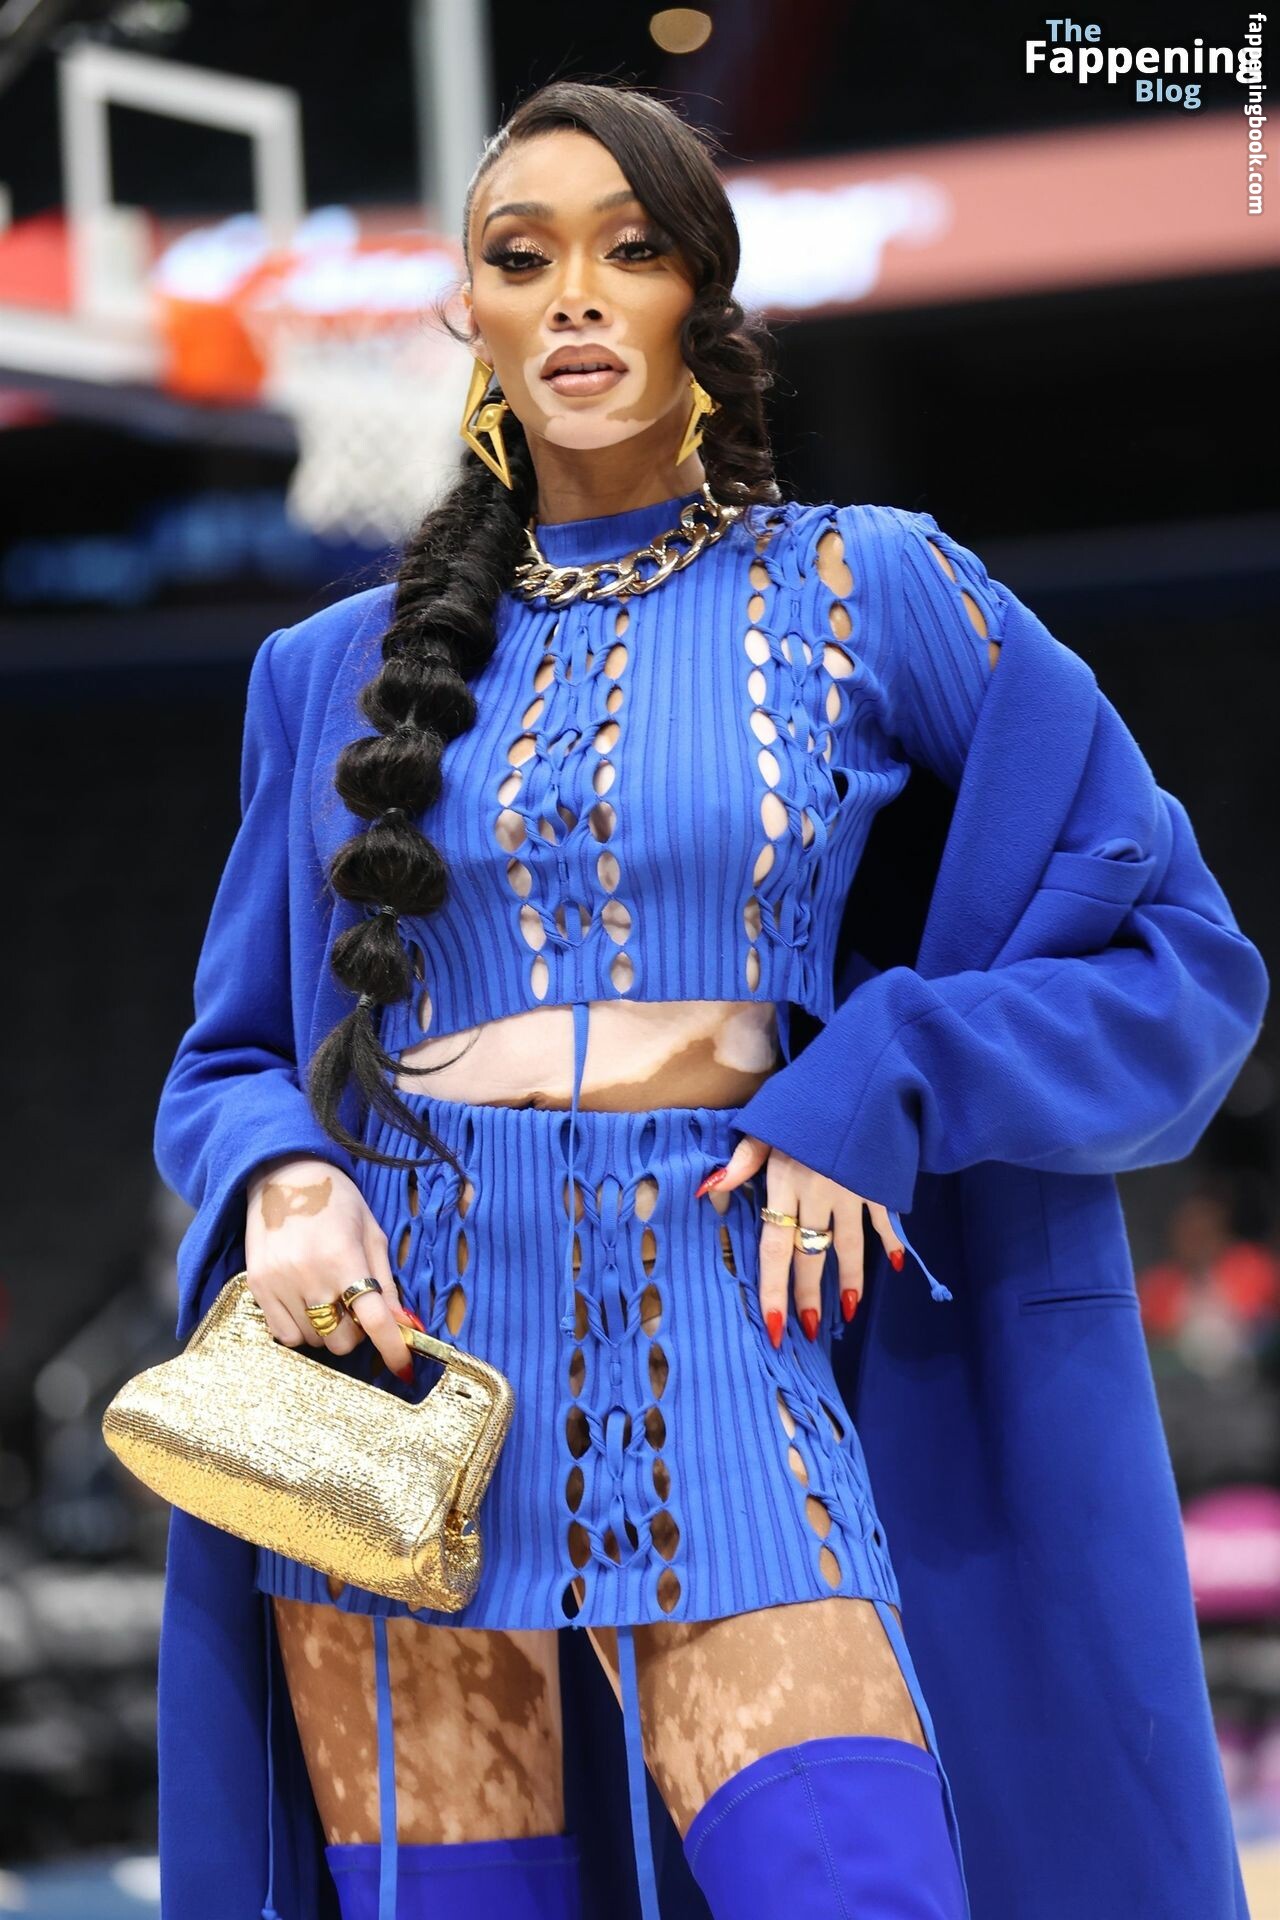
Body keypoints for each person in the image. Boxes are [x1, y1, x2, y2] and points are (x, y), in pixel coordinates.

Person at [152, 77, 1268, 1920]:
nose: (577, 296)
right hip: (394, 1378)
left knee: (857, 1888)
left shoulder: (871, 582)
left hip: (726, 1328)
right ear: (470, 311)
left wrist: (886, 1069)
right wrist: (283, 1180)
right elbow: (232, 1058)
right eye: (524, 257)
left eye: (632, 249)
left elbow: (1181, 955)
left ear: (702, 296)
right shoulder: (324, 671)